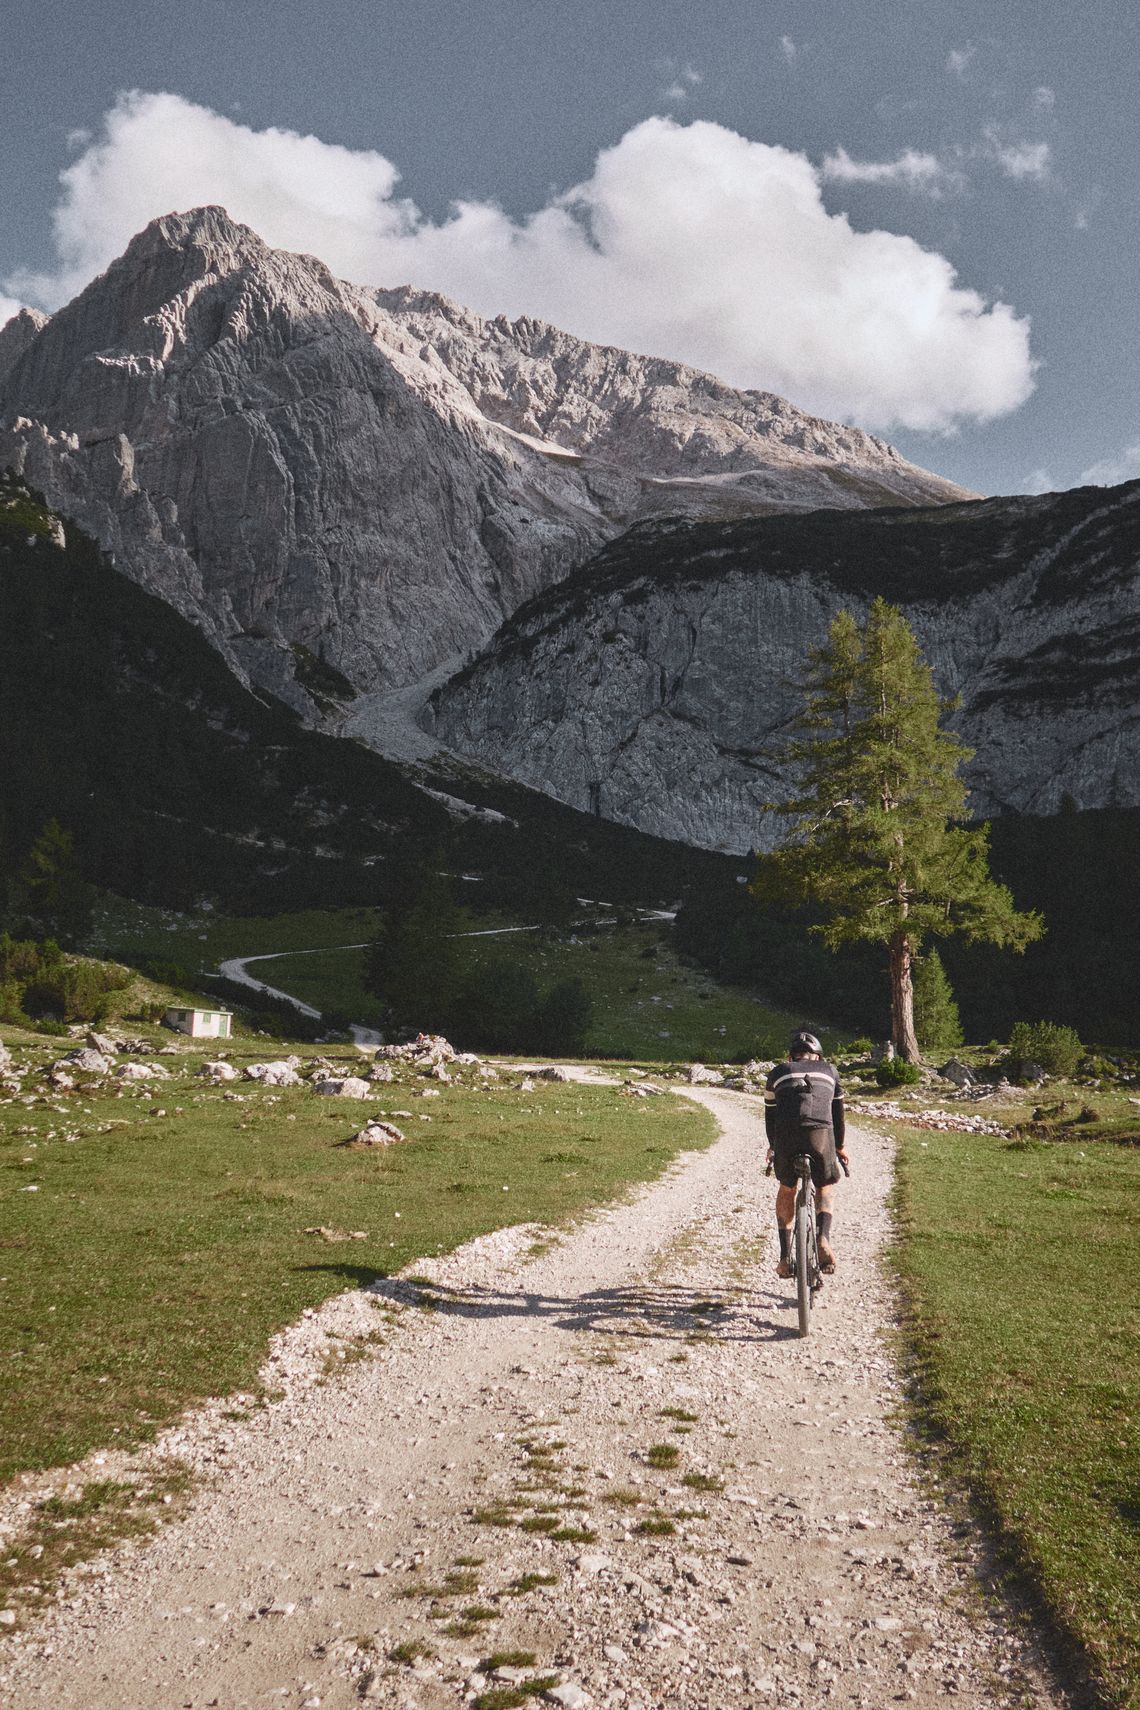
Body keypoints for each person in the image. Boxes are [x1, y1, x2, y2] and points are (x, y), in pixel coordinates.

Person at [764, 1030, 848, 1276]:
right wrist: (840, 1147)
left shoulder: (778, 1072)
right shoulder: (830, 1071)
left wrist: (773, 1145)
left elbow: (771, 1116)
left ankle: (784, 1258)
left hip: (786, 1135)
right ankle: (823, 1237)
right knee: (825, 1185)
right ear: (818, 1057)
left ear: (791, 1058)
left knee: (787, 1189)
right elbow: (838, 1116)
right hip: (820, 1136)